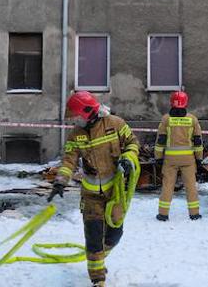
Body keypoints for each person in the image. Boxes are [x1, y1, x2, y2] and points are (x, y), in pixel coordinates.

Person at [47, 91, 140, 287]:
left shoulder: (115, 124)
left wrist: (128, 157)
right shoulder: (76, 134)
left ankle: (99, 258)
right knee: (94, 235)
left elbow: (132, 143)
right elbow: (69, 160)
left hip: (115, 192)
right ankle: (98, 279)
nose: (75, 121)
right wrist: (60, 181)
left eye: (77, 116)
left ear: (88, 112)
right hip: (91, 195)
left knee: (115, 234)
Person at [154, 91, 204, 221]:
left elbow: (160, 141)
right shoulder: (192, 119)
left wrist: (158, 157)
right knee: (191, 186)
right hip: (188, 159)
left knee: (167, 186)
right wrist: (199, 158)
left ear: (172, 102)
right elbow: (198, 141)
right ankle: (194, 214)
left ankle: (163, 214)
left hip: (170, 159)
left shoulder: (166, 119)